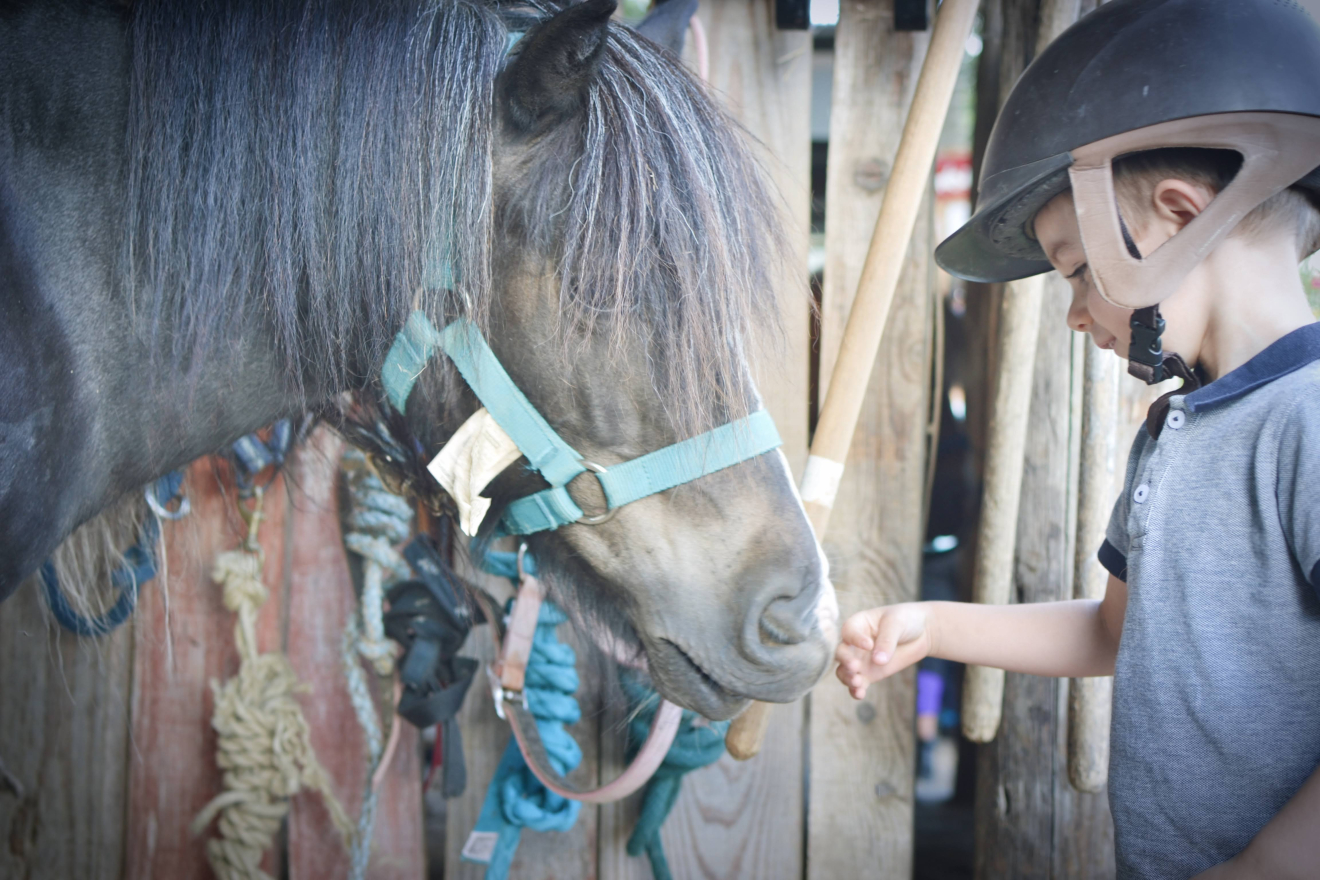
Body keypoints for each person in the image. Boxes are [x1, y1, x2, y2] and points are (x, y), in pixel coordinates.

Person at [833, 1, 1320, 878]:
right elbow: (1114, 632)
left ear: (1178, 214)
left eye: (1078, 270)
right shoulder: (1178, 426)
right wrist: (934, 625)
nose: (1074, 313)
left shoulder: (1309, 424)